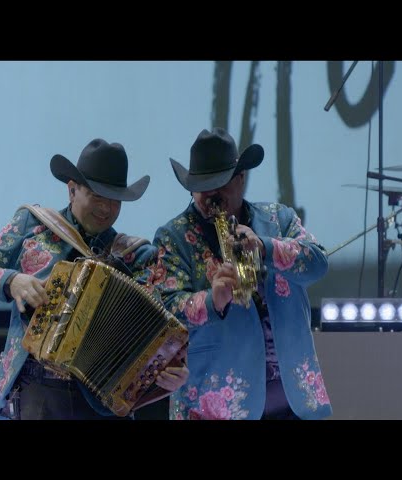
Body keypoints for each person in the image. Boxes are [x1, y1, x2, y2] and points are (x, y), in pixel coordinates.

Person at [0, 138, 189, 420]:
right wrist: (12, 281)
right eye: (97, 195)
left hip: (104, 402)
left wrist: (169, 373)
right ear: (72, 190)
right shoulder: (33, 226)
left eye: (115, 199)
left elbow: (162, 335)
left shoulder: (135, 256)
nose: (107, 208)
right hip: (39, 391)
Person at [141, 127, 332, 420]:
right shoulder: (173, 236)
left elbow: (318, 263)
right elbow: (163, 310)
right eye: (203, 186)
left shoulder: (277, 218)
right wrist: (210, 301)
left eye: (220, 183)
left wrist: (266, 247)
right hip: (214, 402)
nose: (211, 195)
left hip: (295, 399)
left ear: (241, 179)